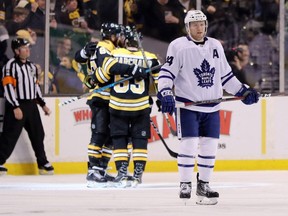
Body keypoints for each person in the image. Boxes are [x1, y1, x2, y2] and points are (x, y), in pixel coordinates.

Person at [157, 10, 259, 205]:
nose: (199, 27)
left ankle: (203, 184)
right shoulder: (178, 46)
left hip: (212, 107)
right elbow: (166, 73)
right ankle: (185, 183)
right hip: (188, 105)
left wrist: (243, 91)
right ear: (187, 27)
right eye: (194, 24)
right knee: (189, 143)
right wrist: (166, 92)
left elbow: (226, 76)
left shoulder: (215, 46)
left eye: (202, 23)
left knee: (210, 146)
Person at [74, 22, 147, 188]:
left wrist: (84, 56)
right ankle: (93, 170)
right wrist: (133, 69)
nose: (122, 38)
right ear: (112, 36)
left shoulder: (106, 47)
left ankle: (101, 168)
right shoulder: (105, 47)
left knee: (108, 137)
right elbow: (108, 68)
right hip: (101, 97)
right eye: (120, 35)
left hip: (110, 99)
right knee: (100, 134)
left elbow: (80, 58)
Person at [107, 26, 160, 187]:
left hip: (118, 105)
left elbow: (105, 71)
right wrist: (161, 98)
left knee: (119, 140)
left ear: (124, 40)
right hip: (140, 106)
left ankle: (122, 172)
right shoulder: (150, 58)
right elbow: (160, 81)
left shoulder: (114, 54)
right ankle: (137, 174)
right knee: (140, 140)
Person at [0, 38, 54, 175]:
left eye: (28, 47)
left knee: (38, 134)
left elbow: (35, 87)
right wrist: (15, 106)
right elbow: (8, 88)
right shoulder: (10, 66)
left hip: (31, 105)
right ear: (17, 51)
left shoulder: (31, 66)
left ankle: (42, 162)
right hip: (17, 104)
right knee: (10, 136)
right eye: (24, 48)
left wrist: (43, 105)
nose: (28, 50)